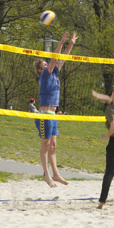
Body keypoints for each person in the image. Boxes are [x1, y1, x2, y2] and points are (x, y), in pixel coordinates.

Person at [35, 31, 77, 187]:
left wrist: (71, 44)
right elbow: (54, 59)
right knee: (45, 145)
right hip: (44, 115)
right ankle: (46, 175)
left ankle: (56, 174)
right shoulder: (44, 75)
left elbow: (61, 60)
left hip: (53, 115)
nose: (47, 65)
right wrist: (60, 43)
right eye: (44, 65)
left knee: (53, 145)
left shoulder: (54, 75)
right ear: (40, 70)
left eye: (47, 65)